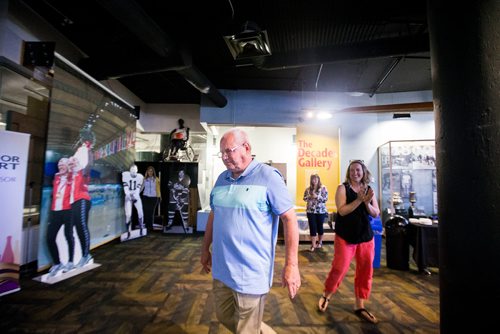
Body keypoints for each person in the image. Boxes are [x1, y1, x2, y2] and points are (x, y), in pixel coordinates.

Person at [200, 128, 301, 334]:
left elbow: (289, 218)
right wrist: (205, 249)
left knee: (245, 329)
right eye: (222, 153)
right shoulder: (221, 179)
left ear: (246, 147)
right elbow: (213, 215)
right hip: (222, 269)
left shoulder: (269, 177)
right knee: (224, 316)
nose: (225, 157)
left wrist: (292, 265)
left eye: (229, 151)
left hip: (251, 273)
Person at [318, 159, 380, 324]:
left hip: (365, 237)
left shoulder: (369, 190)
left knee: (365, 271)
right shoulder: (342, 188)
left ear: (363, 171)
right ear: (349, 172)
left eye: (358, 170)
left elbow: (375, 213)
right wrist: (359, 200)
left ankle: (360, 305)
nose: (355, 173)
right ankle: (327, 294)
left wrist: (367, 202)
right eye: (352, 170)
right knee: (339, 268)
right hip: (345, 236)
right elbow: (342, 211)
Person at [46, 158, 75, 276]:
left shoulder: (72, 177)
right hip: (55, 212)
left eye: (63, 164)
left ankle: (70, 262)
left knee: (68, 236)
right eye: (59, 164)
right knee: (49, 237)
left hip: (68, 211)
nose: (60, 166)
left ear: (68, 166)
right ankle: (57, 263)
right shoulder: (56, 177)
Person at [68, 141, 93, 268]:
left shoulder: (83, 172)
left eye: (75, 161)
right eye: (72, 162)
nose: (73, 163)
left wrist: (85, 148)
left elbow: (87, 162)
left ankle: (86, 255)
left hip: (83, 200)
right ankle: (73, 258)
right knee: (74, 229)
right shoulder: (70, 175)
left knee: (82, 226)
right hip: (73, 202)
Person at [303, 174, 328, 252]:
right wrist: (310, 197)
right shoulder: (308, 189)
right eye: (313, 179)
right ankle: (313, 244)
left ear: (318, 179)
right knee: (312, 227)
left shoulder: (323, 188)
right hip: (310, 211)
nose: (314, 180)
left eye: (316, 179)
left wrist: (317, 196)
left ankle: (320, 242)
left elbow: (325, 199)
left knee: (320, 227)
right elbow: (304, 198)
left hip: (320, 211)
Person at [122, 164, 145, 238]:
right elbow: (125, 188)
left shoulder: (140, 177)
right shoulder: (125, 175)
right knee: (128, 214)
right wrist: (129, 195)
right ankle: (128, 231)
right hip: (128, 196)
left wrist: (135, 196)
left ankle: (141, 228)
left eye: (135, 171)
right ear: (129, 171)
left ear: (137, 171)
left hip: (136, 196)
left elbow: (138, 189)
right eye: (132, 171)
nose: (133, 173)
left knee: (140, 213)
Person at [141, 166, 161, 231]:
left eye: (151, 171)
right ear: (147, 171)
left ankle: (150, 227)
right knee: (146, 212)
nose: (150, 172)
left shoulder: (156, 179)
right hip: (145, 197)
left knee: (151, 212)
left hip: (154, 197)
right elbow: (141, 187)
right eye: (149, 171)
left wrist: (159, 197)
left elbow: (158, 189)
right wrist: (136, 194)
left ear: (153, 172)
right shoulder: (144, 179)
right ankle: (147, 226)